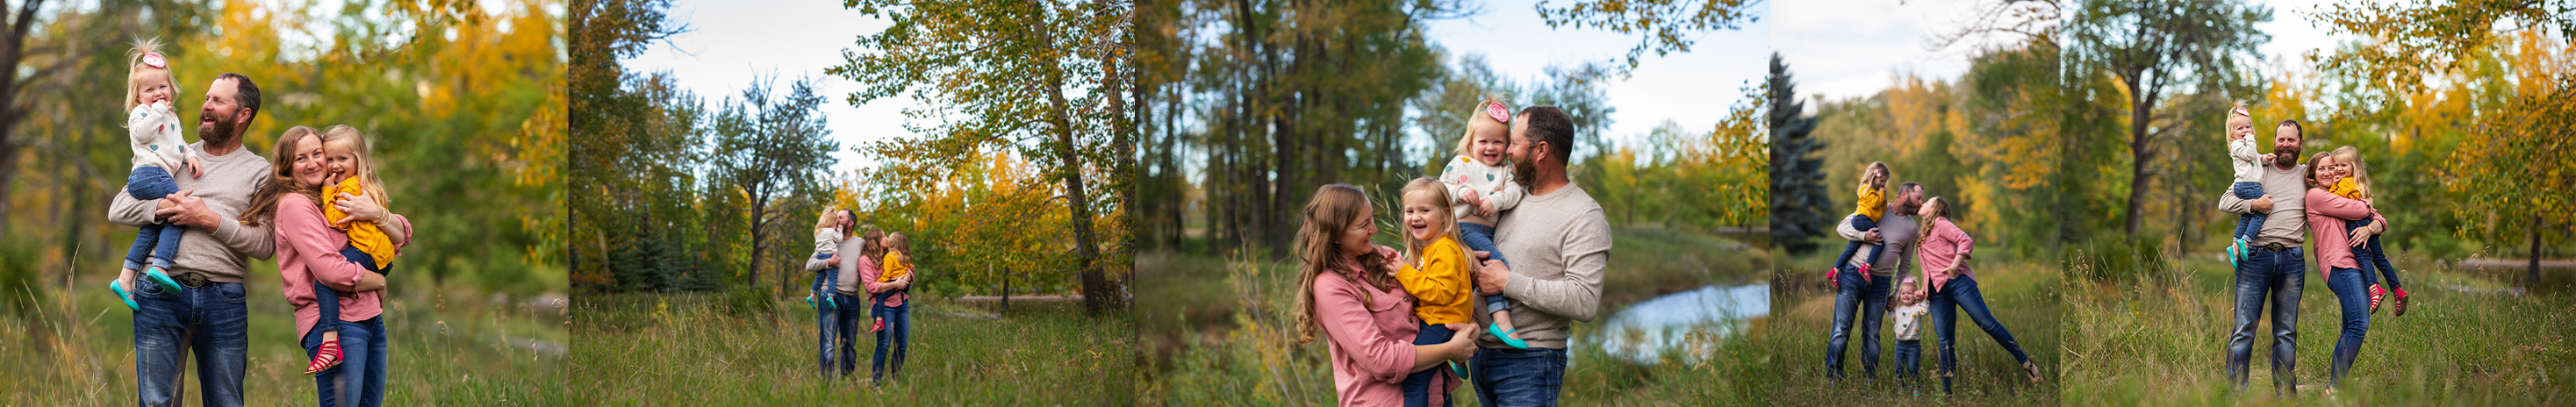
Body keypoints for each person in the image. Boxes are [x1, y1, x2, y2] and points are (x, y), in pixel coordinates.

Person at [106, 71, 276, 407]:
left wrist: (208, 220)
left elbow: (265, 244)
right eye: (206, 98)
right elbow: (118, 208)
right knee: (159, 402)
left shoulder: (260, 172)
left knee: (227, 401)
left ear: (243, 115)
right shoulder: (172, 153)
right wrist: (165, 207)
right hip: (159, 293)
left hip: (224, 298)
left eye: (218, 101)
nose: (205, 106)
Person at [242, 126, 415, 407]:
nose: (313, 163)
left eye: (317, 154)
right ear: (288, 167)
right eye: (301, 158)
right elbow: (331, 271)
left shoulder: (333, 195)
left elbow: (403, 233)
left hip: (369, 316)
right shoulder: (296, 205)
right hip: (334, 324)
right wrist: (379, 281)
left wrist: (377, 213)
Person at [1468, 106, 1610, 406]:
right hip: (1480, 355)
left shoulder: (1584, 215)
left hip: (1530, 360)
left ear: (1541, 150)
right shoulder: (1510, 196)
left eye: (1515, 144)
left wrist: (1507, 282)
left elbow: (1584, 301)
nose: (1507, 151)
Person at [1295, 183, 1479, 405]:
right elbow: (1381, 360)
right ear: (1334, 235)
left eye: (1372, 218)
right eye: (1364, 225)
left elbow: (1440, 296)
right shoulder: (1330, 287)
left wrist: (1470, 329)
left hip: (1437, 395)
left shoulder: (1386, 258)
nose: (1374, 229)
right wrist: (1451, 349)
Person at [2214, 119, 2318, 396]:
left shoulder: (2309, 176)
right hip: (2255, 257)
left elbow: (2341, 197)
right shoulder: (2257, 168)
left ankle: (2285, 396)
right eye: (2281, 139)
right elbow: (2225, 201)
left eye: (2291, 140)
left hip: (2293, 260)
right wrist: (2253, 204)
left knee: (2286, 332)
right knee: (2243, 329)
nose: (2285, 145)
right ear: (2274, 141)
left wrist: (2374, 222)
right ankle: (2235, 396)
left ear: (2300, 144)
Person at [1910, 196, 2042, 393]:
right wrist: (1924, 290)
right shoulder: (1924, 233)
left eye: (1927, 202)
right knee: (1945, 341)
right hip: (1937, 292)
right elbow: (1929, 266)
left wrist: (1955, 265)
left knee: (1987, 323)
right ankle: (1948, 395)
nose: (1923, 203)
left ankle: (2026, 363)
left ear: (1935, 209)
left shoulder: (1940, 223)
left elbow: (1966, 240)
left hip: (1958, 282)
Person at [301, 125, 401, 375]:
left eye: (342, 159)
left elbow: (336, 219)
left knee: (325, 281)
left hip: (368, 253)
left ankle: (330, 341)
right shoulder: (366, 185)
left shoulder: (348, 189)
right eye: (331, 158)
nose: (335, 165)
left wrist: (326, 190)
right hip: (380, 254)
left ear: (359, 159)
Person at [109, 39, 198, 311]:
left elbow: (179, 147)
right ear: (138, 96)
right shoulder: (142, 112)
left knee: (152, 226)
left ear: (172, 89)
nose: (158, 93)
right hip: (149, 174)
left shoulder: (171, 118)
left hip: (157, 175)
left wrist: (191, 156)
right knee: (179, 213)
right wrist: (157, 110)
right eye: (150, 89)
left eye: (163, 87)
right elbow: (142, 133)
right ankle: (160, 267)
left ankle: (125, 279)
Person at [1437, 100, 1531, 349]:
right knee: (1496, 264)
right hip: (1462, 229)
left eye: (1498, 142)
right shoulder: (1460, 164)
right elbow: (1440, 188)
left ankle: (1455, 339)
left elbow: (1515, 193)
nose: (1490, 147)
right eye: (1483, 142)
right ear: (1471, 144)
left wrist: (1495, 200)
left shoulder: (1506, 171)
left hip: (1486, 231)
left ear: (1507, 145)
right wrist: (1461, 191)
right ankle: (1502, 320)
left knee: (1464, 284)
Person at [2302, 147, 2387, 389]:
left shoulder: (2342, 194)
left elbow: (2381, 220)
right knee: (2360, 323)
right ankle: (2336, 388)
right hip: (2339, 264)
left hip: (2355, 264)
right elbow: (2363, 210)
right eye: (2322, 169)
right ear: (2313, 174)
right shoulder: (2317, 196)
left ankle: (2334, 388)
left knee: (2349, 327)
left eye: (2333, 167)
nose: (2330, 172)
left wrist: (2370, 228)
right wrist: (2367, 203)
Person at [1826, 181, 1925, 381]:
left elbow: (1904, 266)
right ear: (1904, 195)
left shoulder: (1911, 229)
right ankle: (1833, 380)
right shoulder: (1876, 208)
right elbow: (1842, 227)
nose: (1921, 204)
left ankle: (1870, 381)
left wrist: (1896, 293)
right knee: (1841, 329)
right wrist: (1864, 235)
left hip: (1880, 283)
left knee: (1872, 333)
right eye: (1918, 198)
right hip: (1852, 275)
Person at [1393, 178, 1475, 406]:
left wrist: (1404, 273)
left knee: (1415, 376)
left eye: (1424, 210)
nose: (1415, 217)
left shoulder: (1444, 249)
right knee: (1434, 380)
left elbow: (1442, 293)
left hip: (1443, 323)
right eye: (1410, 211)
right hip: (1436, 321)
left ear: (1445, 214)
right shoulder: (1430, 249)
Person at [2320, 147, 2410, 315]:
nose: (2339, 169)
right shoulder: (2358, 183)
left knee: (2362, 255)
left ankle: (2374, 287)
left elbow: (2335, 200)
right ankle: (2397, 290)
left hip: (2356, 225)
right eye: (2336, 165)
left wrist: (2333, 185)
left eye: (2343, 165)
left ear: (2354, 167)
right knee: (2379, 258)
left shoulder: (2345, 183)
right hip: (2368, 222)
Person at [862, 231, 917, 385]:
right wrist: (895, 284)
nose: (887, 239)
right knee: (884, 345)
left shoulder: (893, 254)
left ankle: (896, 383)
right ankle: (877, 385)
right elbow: (870, 286)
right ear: (875, 241)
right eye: (884, 236)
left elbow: (910, 269)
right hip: (885, 306)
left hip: (902, 303)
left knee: (902, 346)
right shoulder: (865, 261)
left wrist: (907, 277)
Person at [2221, 103, 2270, 268]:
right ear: (2232, 134)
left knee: (2247, 216)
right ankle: (2246, 241)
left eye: (2248, 127)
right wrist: (2250, 138)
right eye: (2240, 128)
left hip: (2246, 186)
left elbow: (2255, 157)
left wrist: (2265, 159)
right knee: (2263, 211)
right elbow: (2249, 155)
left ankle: (2234, 244)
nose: (2245, 131)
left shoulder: (2245, 146)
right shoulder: (2237, 145)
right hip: (2248, 186)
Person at [1827, 162, 1891, 284]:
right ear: (1874, 177)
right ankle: (1867, 267)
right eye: (1882, 181)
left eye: (1885, 182)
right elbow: (1874, 203)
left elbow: (1882, 209)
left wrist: (1885, 195)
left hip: (1865, 221)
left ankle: (1834, 270)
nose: (1883, 184)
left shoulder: (1877, 194)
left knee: (1853, 247)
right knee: (1880, 242)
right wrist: (1882, 194)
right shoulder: (1866, 189)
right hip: (1862, 219)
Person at [1888, 277, 1928, 396]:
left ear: (1915, 295)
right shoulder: (1899, 309)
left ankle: (1916, 386)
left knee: (1912, 367)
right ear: (1899, 295)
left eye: (1909, 293)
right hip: (1900, 344)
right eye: (1903, 293)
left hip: (1914, 344)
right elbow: (1894, 319)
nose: (1906, 295)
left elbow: (1925, 311)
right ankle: (1901, 386)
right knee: (1899, 367)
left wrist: (1923, 300)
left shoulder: (1917, 308)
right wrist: (1889, 310)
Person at [871, 232, 916, 333]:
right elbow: (911, 268)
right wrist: (908, 282)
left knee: (880, 297)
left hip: (895, 281)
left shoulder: (890, 256)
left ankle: (879, 321)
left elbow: (887, 274)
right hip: (906, 285)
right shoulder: (905, 256)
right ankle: (898, 288)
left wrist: (879, 283)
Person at [807, 211, 841, 309]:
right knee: (832, 278)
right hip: (830, 256)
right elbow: (839, 239)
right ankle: (831, 297)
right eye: (836, 223)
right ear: (831, 223)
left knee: (819, 277)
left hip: (820, 255)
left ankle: (812, 295)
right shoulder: (831, 231)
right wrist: (840, 230)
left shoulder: (818, 232)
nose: (837, 225)